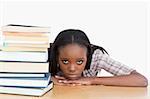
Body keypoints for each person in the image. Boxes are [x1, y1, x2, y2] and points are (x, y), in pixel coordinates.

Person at [49, 29, 148, 87]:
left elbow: (141, 80)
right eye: (65, 61)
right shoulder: (44, 57)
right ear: (56, 56)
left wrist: (92, 80)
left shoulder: (97, 57)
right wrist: (48, 79)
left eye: (80, 62)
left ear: (88, 55)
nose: (72, 68)